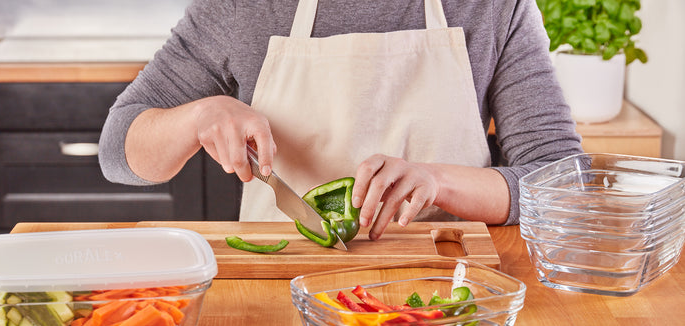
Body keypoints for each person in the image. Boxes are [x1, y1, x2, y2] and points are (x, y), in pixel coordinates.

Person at [98, 0, 583, 240]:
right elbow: (119, 151)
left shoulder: (493, 6)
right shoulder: (243, 8)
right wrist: (198, 115)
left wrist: (437, 181)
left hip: (450, 290)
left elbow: (564, 183)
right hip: (283, 290)